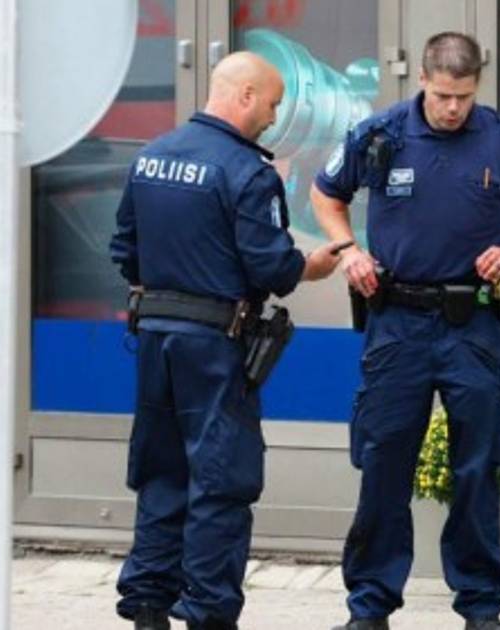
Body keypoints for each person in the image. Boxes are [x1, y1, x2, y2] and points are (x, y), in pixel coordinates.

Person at [311, 32, 500, 630]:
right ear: (423, 80)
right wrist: (349, 250)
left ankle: (481, 609)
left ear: (476, 86)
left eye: (464, 97)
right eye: (443, 96)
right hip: (396, 321)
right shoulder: (379, 134)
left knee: (477, 468)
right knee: (384, 464)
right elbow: (325, 194)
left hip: (471, 324)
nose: (453, 108)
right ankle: (369, 607)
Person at [109, 51, 343, 630]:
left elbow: (125, 251)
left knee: (162, 474)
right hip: (215, 346)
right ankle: (209, 612)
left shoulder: (152, 156)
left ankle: (147, 606)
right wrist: (310, 267)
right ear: (245, 96)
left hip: (155, 338)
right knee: (221, 480)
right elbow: (270, 266)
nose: (274, 117)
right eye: (272, 104)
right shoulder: (248, 172)